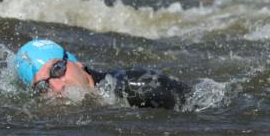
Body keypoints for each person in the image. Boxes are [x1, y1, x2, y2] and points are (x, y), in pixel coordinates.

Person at [14, 40, 191, 110]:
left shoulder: (138, 88)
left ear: (77, 63)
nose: (57, 86)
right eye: (44, 85)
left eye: (57, 70)